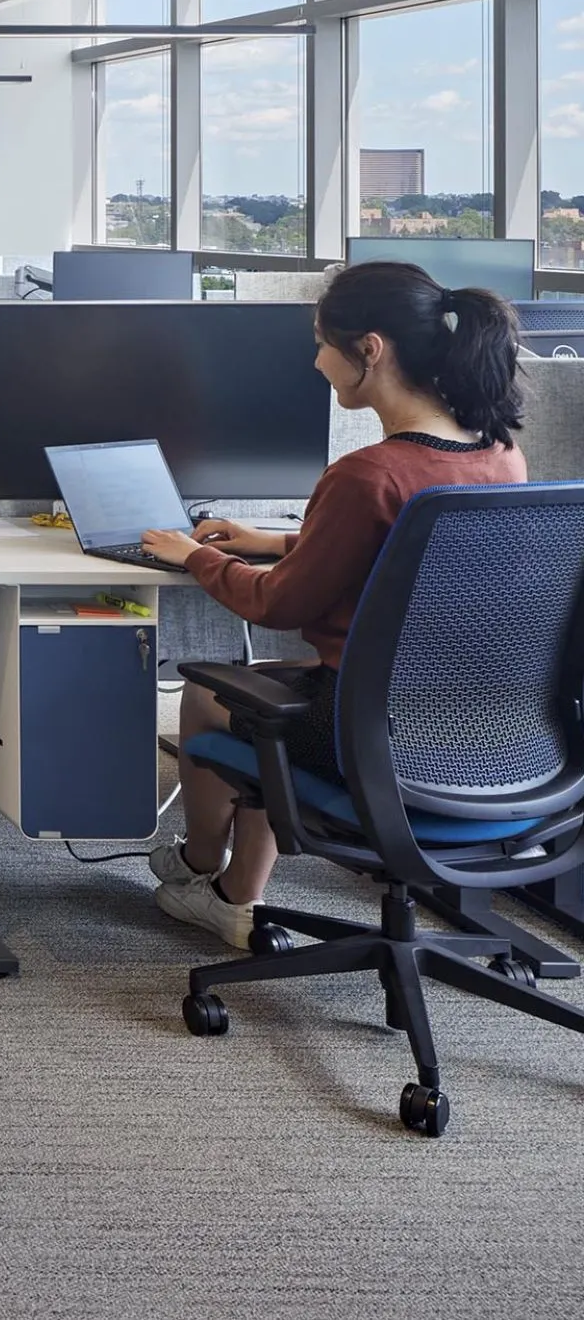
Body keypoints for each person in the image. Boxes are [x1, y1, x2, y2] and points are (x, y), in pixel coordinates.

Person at [135, 261, 527, 949]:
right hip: (486, 732)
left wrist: (194, 555)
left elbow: (276, 603)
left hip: (372, 733)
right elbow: (411, 540)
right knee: (275, 693)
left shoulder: (366, 475)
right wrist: (281, 536)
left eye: (322, 342)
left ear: (369, 350)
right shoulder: (498, 453)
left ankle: (204, 869)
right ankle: (231, 898)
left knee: (209, 697)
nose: (316, 362)